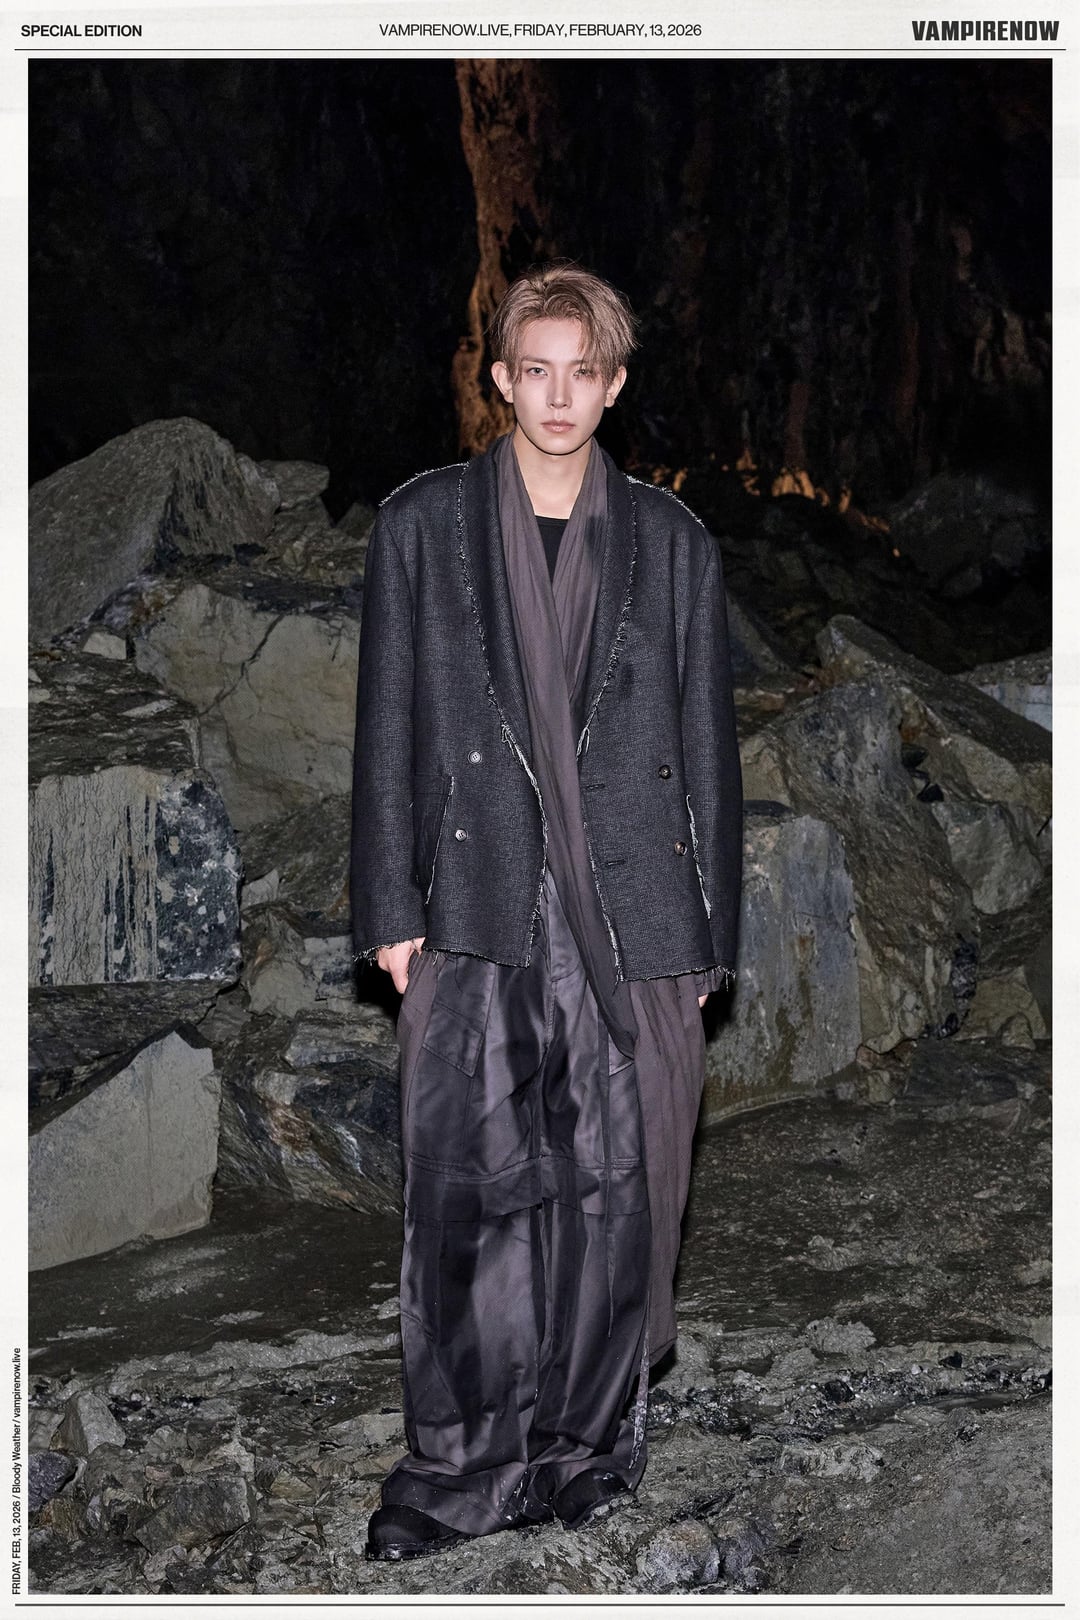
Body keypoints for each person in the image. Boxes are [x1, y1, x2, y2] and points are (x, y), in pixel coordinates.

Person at [350, 261, 743, 1561]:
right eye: (537, 371)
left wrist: (710, 936)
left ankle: (582, 1445)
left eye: (585, 373)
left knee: (615, 1191)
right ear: (501, 380)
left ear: (614, 385)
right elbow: (387, 724)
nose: (559, 396)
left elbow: (709, 747)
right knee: (467, 1186)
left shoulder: (674, 544)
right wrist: (388, 905)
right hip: (475, 903)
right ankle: (461, 1463)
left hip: (631, 918)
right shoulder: (421, 527)